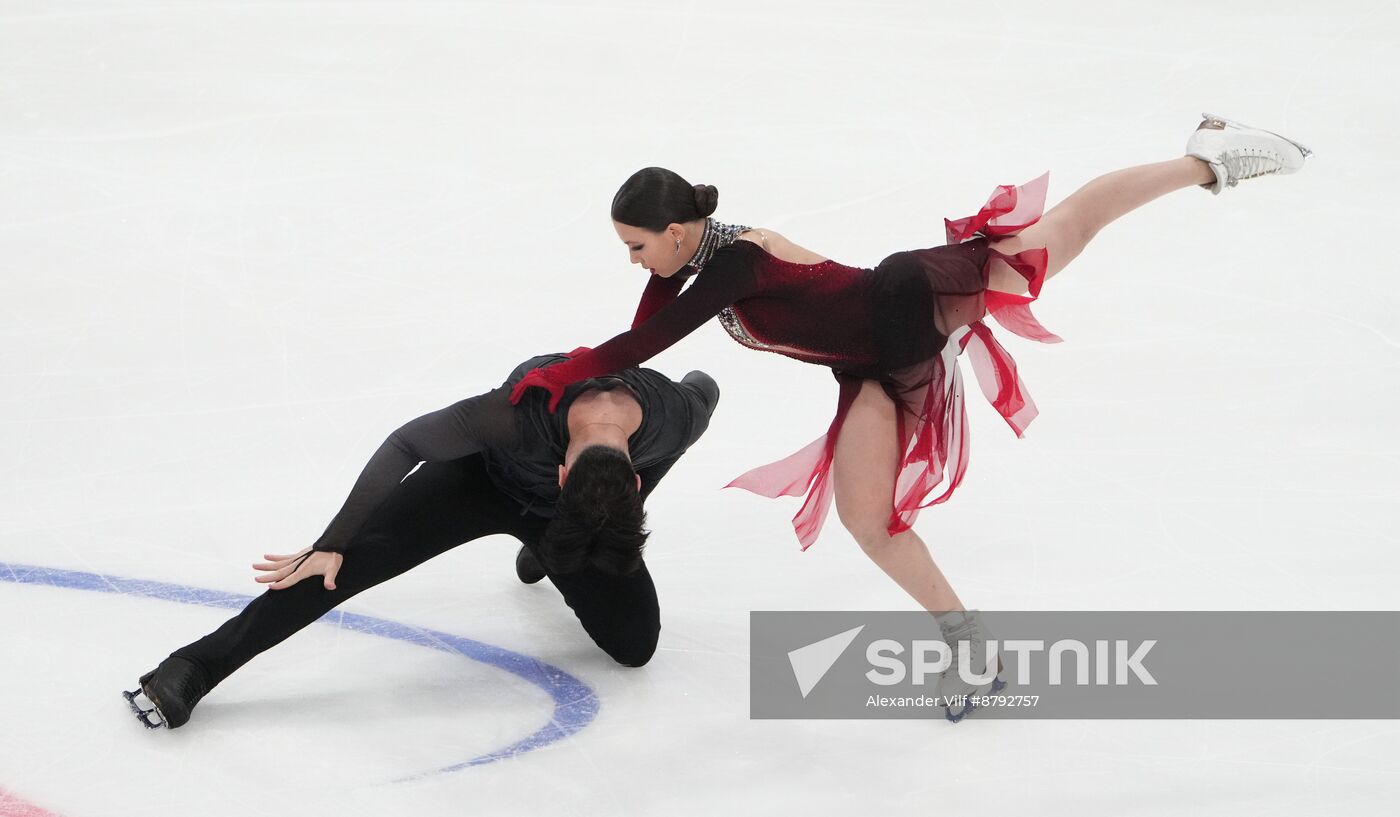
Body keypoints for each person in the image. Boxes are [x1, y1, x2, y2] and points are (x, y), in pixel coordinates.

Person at [508, 113, 1313, 721]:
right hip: (873, 364)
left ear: (676, 233)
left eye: (636, 246)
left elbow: (650, 335)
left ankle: (1204, 157)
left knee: (1064, 231)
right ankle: (976, 652)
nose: (633, 260)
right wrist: (575, 369)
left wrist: (556, 374)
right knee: (870, 519)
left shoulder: (736, 261)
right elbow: (649, 314)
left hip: (909, 301)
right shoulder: (700, 254)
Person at [123, 353, 720, 729]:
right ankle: (193, 666)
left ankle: (548, 545)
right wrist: (333, 540)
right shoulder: (516, 413)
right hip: (478, 482)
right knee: (333, 570)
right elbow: (407, 443)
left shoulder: (675, 413)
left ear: (634, 476)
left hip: (571, 512)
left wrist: (607, 516)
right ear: (563, 476)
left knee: (635, 644)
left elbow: (705, 391)